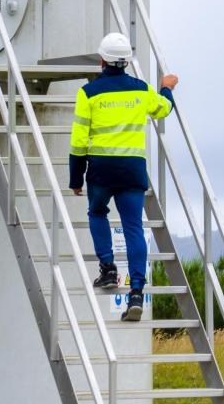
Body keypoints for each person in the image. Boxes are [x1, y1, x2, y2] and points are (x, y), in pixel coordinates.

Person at [67, 31, 177, 322]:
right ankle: (137, 292)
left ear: (101, 60)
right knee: (133, 229)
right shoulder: (141, 90)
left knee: (97, 212)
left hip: (101, 171)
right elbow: (163, 109)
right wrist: (166, 88)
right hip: (132, 170)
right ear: (127, 61)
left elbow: (78, 141)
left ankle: (108, 269)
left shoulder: (88, 94)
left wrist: (76, 179)